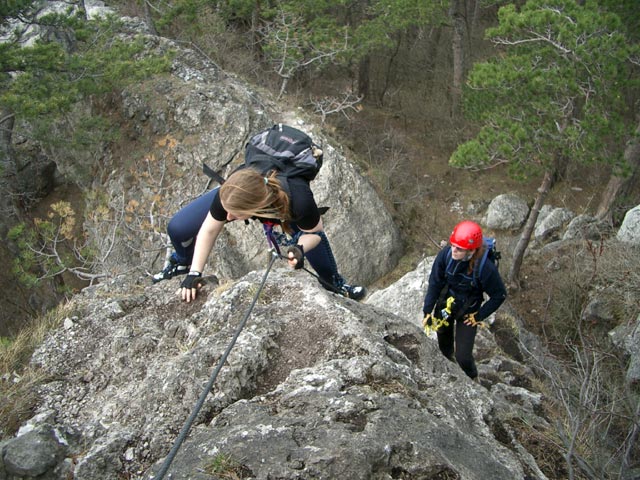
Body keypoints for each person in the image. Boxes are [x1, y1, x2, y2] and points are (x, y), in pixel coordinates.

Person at [152, 167, 366, 302]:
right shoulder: (231, 191)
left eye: (232, 213)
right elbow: (209, 228)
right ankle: (181, 262)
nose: (226, 216)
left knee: (305, 240)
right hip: (248, 190)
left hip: (285, 202)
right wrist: (194, 273)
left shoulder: (299, 202)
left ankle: (335, 284)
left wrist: (299, 249)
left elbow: (316, 233)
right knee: (178, 228)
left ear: (254, 210)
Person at [421, 220, 506, 380]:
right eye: (453, 245)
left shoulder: (485, 268)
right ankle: (448, 369)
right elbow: (435, 282)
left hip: (468, 311)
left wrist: (479, 315)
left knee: (463, 357)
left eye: (459, 249)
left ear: (472, 251)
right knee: (443, 346)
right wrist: (427, 310)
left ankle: (472, 378)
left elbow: (499, 295)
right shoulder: (445, 255)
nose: (453, 250)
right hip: (446, 303)